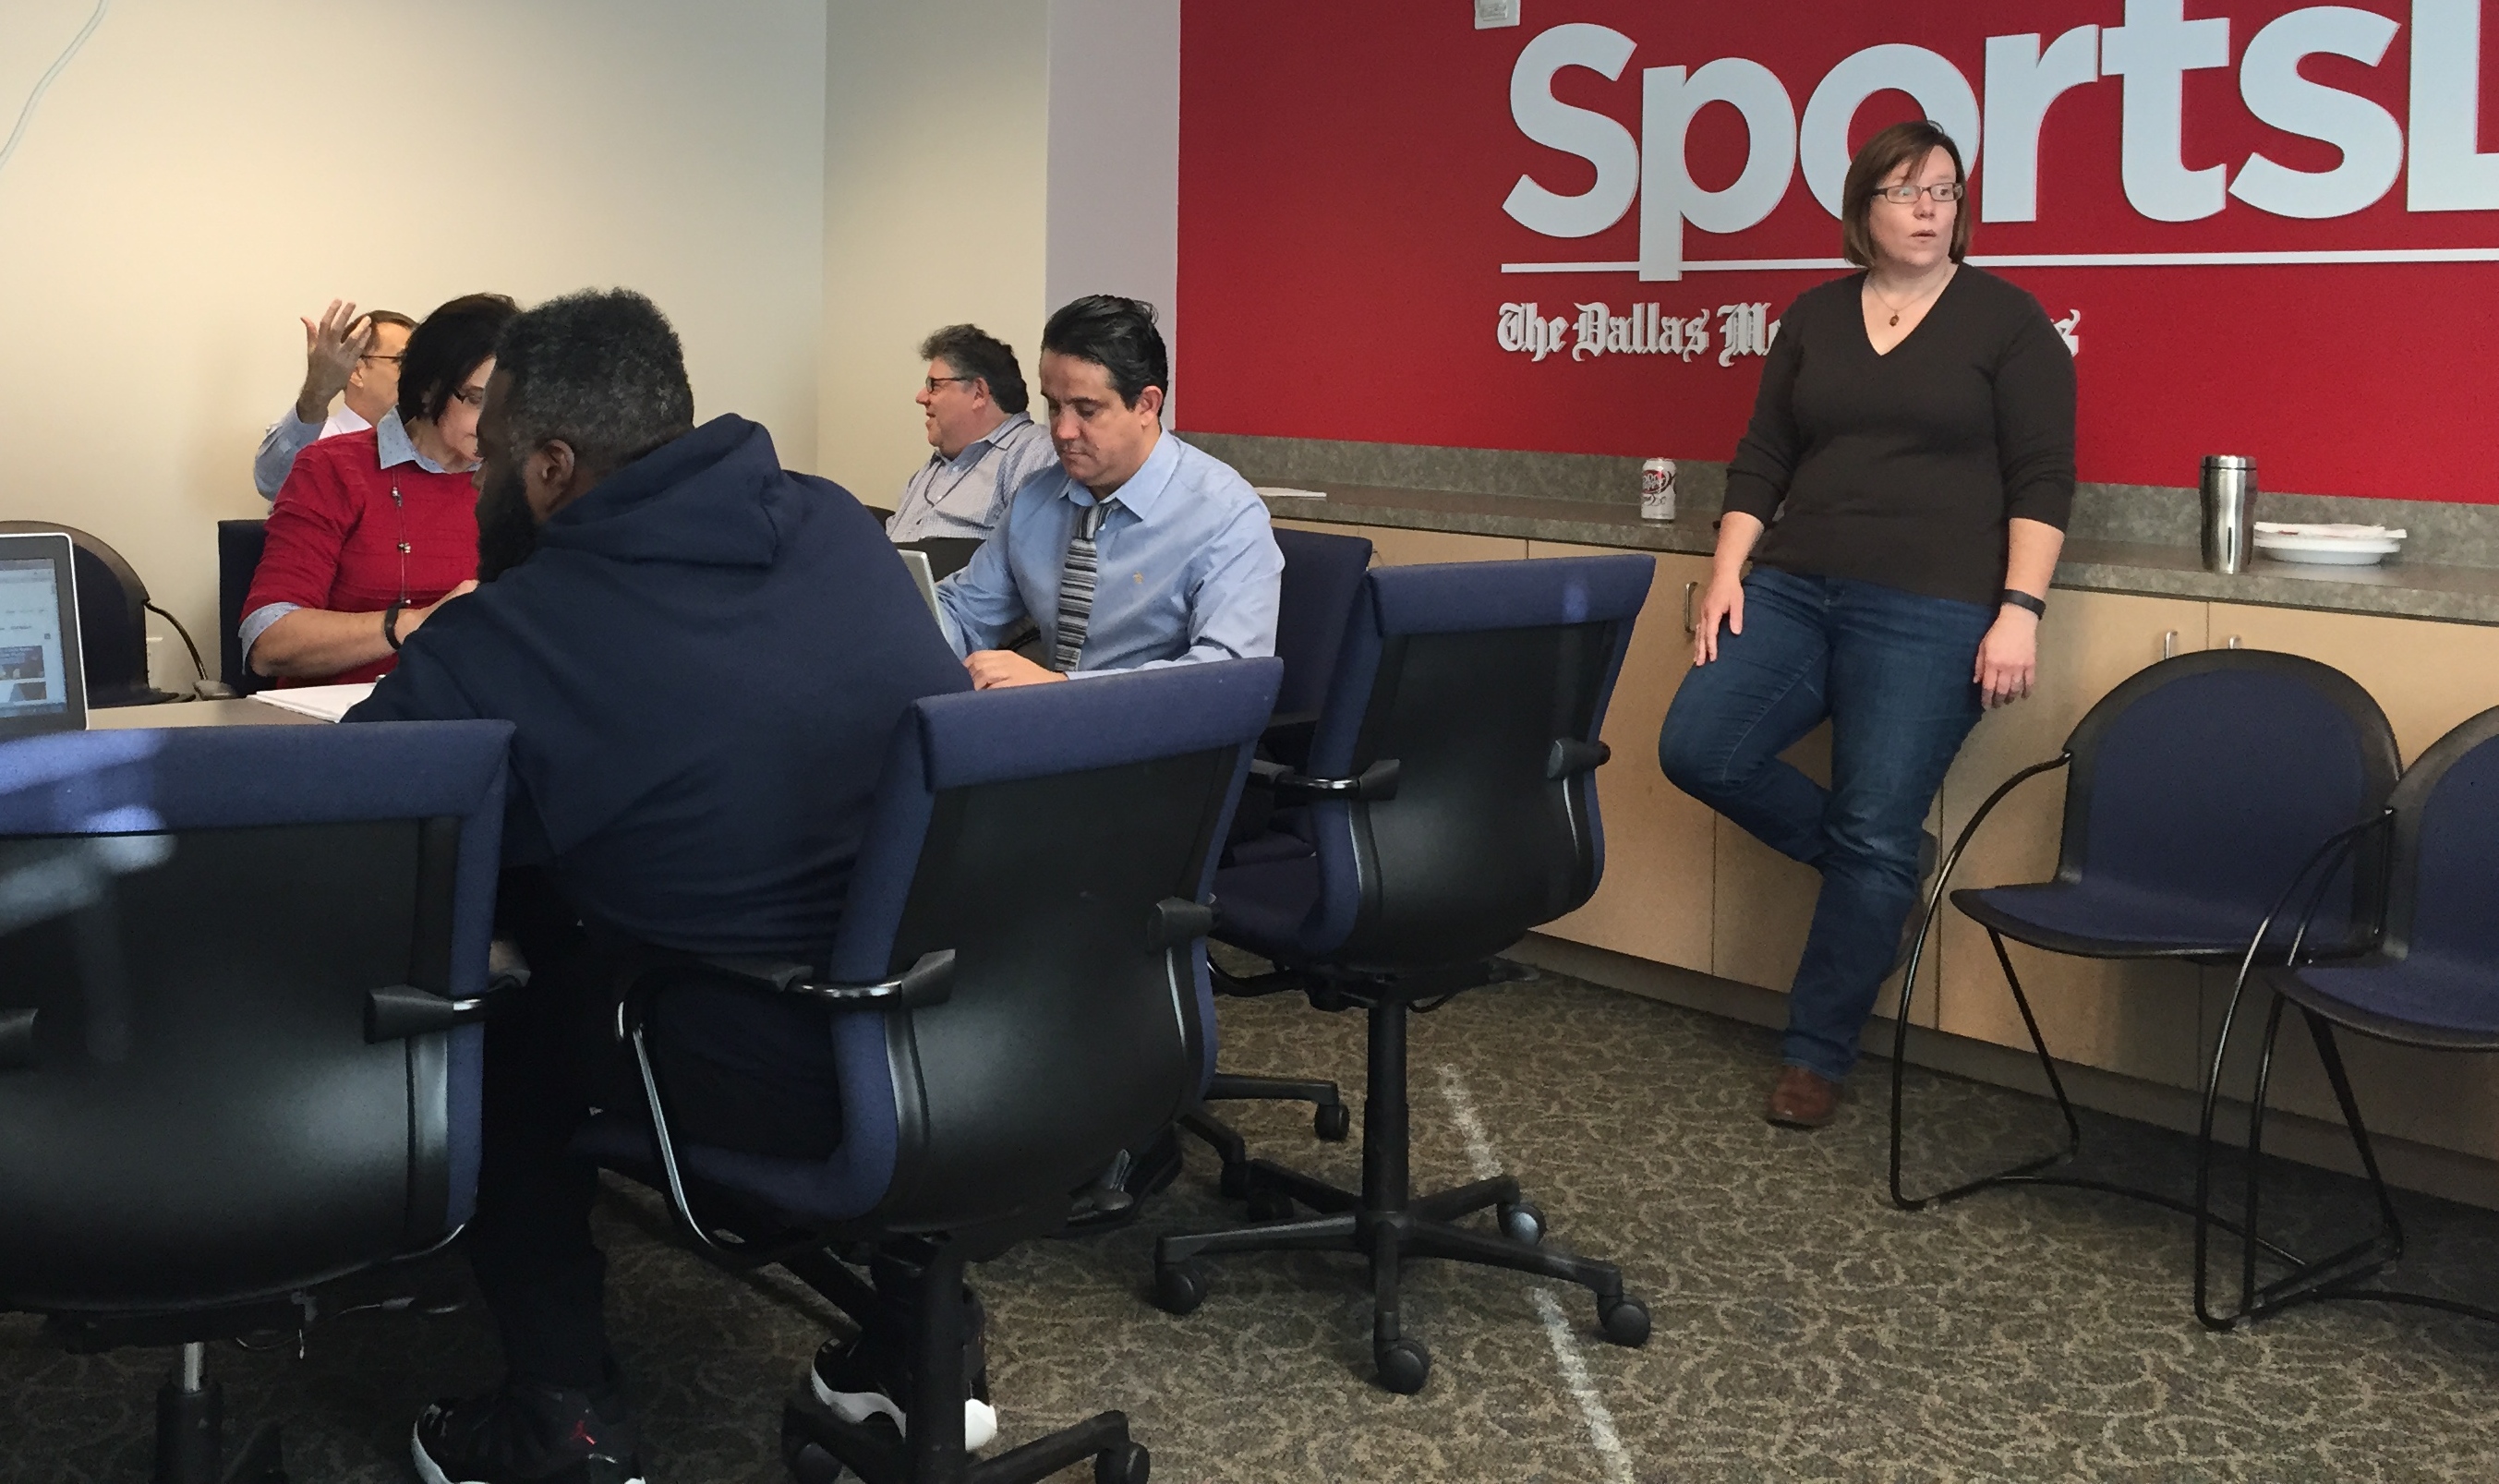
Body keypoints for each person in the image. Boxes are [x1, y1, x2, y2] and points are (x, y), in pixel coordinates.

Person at [345, 289, 973, 1484]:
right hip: (969, 1018)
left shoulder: (512, 636)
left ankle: (561, 1417)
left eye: (490, 462)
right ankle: (916, 1344)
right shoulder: (839, 524)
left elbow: (362, 848)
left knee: (493, 1027)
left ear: (550, 465)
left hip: (777, 1060)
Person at [1655, 120, 2076, 1131]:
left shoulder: (2008, 323)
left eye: (1945, 189)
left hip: (1934, 607)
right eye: (1905, 191)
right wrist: (1725, 573)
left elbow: (2044, 478)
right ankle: (1878, 872)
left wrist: (2018, 610)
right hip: (1798, 585)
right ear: (1862, 211)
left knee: (1876, 819)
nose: (1930, 208)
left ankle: (1817, 1048)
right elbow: (1764, 453)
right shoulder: (1814, 316)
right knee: (1700, 747)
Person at [934, 294, 1282, 689]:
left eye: (1086, 410)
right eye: (1054, 407)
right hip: (1045, 730)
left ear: (1147, 405)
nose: (1062, 432)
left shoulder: (1224, 514)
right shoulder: (1037, 497)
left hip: (1160, 739)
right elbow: (964, 611)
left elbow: (1229, 673)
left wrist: (1063, 689)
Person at [240, 293, 516, 685]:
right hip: (355, 721)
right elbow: (269, 642)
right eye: (477, 400)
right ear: (428, 388)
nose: (498, 424)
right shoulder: (333, 467)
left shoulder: (522, 479)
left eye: (512, 405)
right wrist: (413, 623)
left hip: (477, 709)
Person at [885, 323, 1056, 542]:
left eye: (934, 385)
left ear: (978, 393)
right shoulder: (930, 470)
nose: (921, 397)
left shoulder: (1032, 454)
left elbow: (1034, 561)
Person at [251, 300, 418, 499]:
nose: (419, 373)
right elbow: (270, 482)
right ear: (356, 371)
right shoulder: (317, 442)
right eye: (404, 361)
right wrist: (316, 393)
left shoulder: (430, 446)